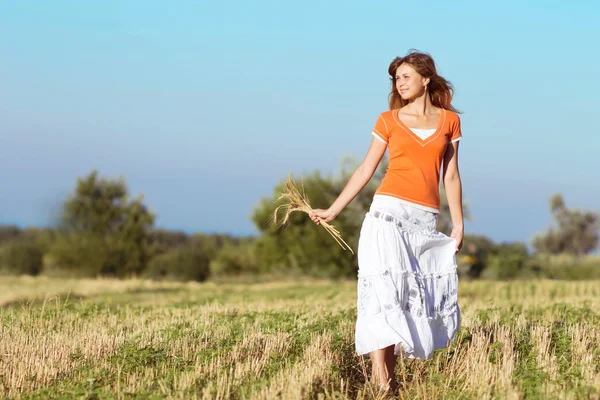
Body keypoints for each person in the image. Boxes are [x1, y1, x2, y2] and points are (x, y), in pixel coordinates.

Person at [309, 50, 464, 391]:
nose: (400, 82)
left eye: (406, 76)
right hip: (387, 214)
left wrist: (458, 223)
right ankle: (384, 384)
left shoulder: (449, 122)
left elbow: (450, 176)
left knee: (409, 297)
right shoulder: (388, 120)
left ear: (426, 79)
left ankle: (387, 381)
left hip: (424, 220)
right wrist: (333, 209)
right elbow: (366, 168)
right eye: (397, 78)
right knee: (383, 296)